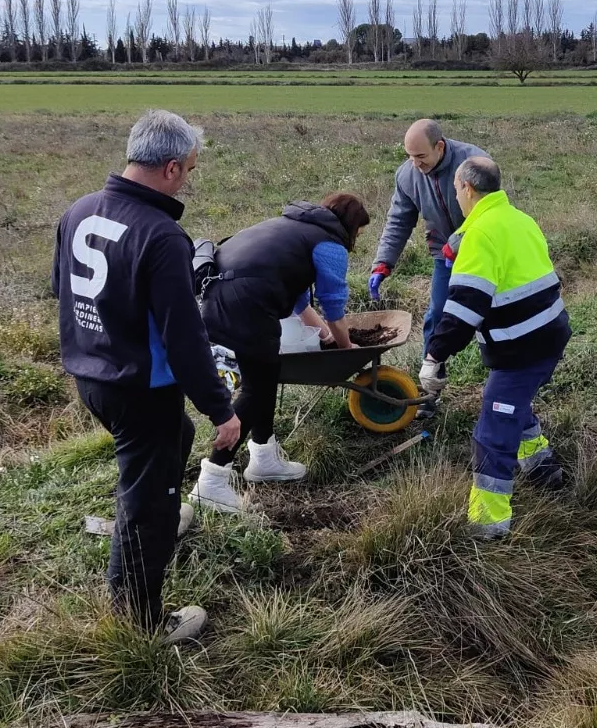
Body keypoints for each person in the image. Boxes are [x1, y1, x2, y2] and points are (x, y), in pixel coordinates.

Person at [52, 109, 239, 644]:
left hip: (92, 374)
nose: (190, 179)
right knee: (148, 501)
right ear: (173, 168)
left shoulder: (80, 210)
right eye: (191, 170)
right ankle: (140, 621)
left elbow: (61, 290)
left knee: (170, 443)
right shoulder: (162, 236)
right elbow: (185, 340)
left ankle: (151, 507)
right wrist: (221, 411)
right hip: (140, 389)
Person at [193, 192, 373, 514]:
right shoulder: (330, 243)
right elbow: (333, 303)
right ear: (350, 226)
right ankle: (212, 480)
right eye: (359, 232)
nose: (357, 238)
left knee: (263, 375)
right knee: (255, 388)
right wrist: (345, 348)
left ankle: (263, 458)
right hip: (247, 304)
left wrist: (322, 336)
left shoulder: (292, 226)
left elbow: (298, 300)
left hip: (216, 299)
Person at [421, 157, 570, 538]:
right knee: (508, 400)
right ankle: (541, 467)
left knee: (492, 431)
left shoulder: (481, 235)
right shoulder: (520, 219)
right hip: (550, 333)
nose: (456, 195)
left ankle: (488, 528)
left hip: (523, 347)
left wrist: (434, 356)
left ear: (467, 188)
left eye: (456, 189)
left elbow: (462, 310)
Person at [368, 119, 488, 418]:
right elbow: (399, 220)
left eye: (421, 156)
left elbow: (490, 212)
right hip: (442, 256)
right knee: (436, 317)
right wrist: (383, 262)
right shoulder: (407, 175)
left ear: (440, 146)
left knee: (492, 316)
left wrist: (458, 242)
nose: (415, 163)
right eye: (410, 156)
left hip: (486, 251)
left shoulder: (474, 162)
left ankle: (501, 383)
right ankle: (429, 393)